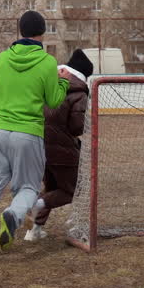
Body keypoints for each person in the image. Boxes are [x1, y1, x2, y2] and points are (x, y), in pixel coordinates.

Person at [0, 11, 68, 261]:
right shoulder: (47, 62)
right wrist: (63, 82)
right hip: (28, 134)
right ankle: (14, 214)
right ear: (42, 32)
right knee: (29, 188)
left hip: (1, 132)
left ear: (20, 31)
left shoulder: (3, 58)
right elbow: (54, 100)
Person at [25, 49, 94, 241]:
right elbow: (77, 127)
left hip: (41, 147)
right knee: (70, 191)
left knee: (51, 188)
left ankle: (34, 232)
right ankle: (35, 204)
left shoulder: (50, 86)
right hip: (63, 152)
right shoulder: (79, 94)